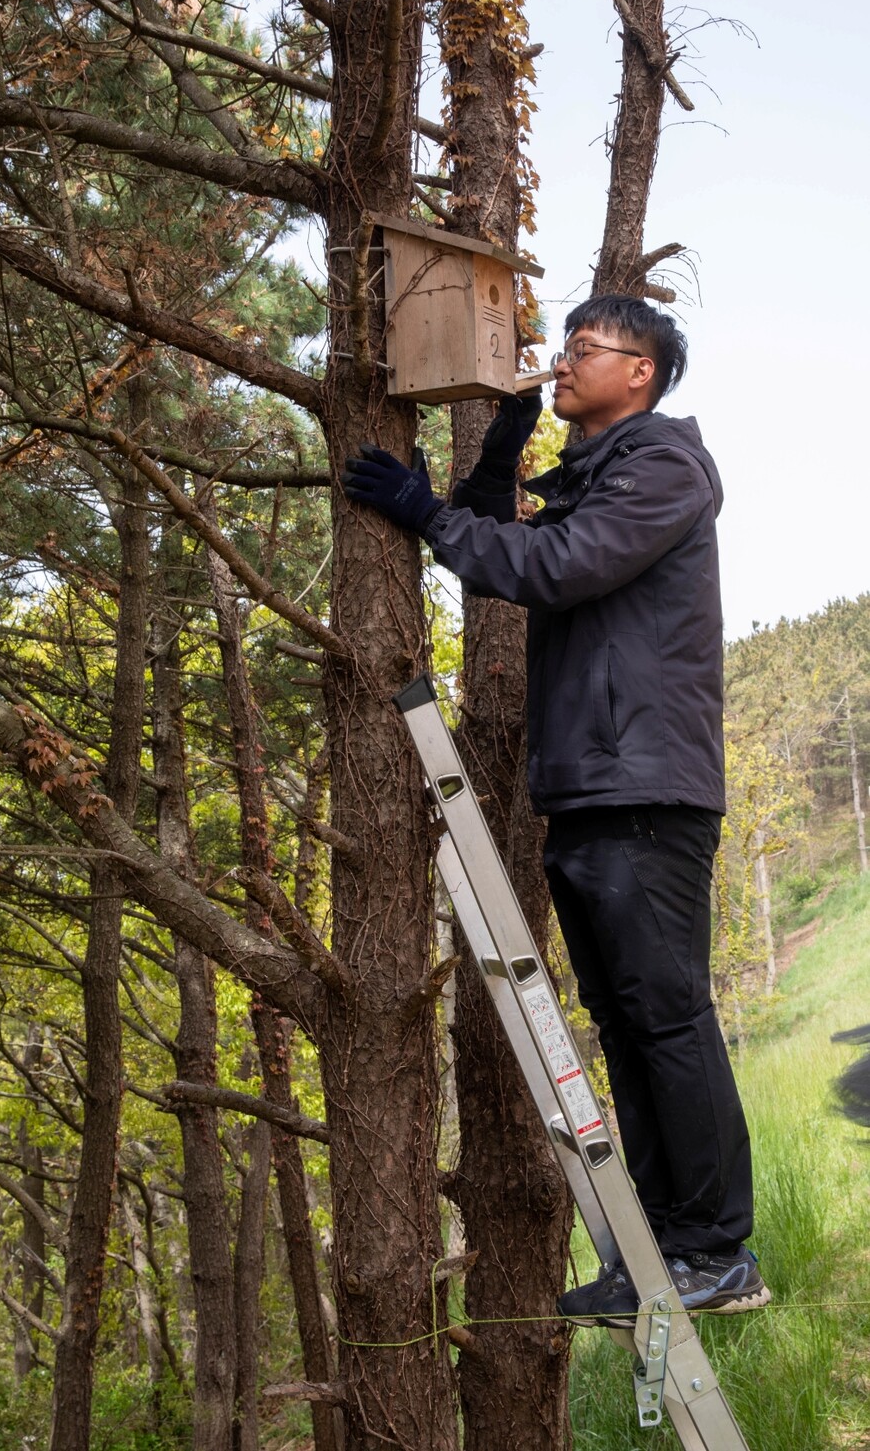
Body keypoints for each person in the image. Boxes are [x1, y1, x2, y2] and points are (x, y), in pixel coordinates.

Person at [342, 294, 770, 1323]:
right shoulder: (593, 479)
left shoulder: (662, 467)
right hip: (590, 786)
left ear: (644, 374)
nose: (566, 360)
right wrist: (501, 447)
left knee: (666, 1019)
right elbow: (502, 544)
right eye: (566, 344)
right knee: (626, 1027)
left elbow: (551, 569)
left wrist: (423, 514)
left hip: (644, 786)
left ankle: (717, 1248)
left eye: (588, 349)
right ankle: (662, 1248)